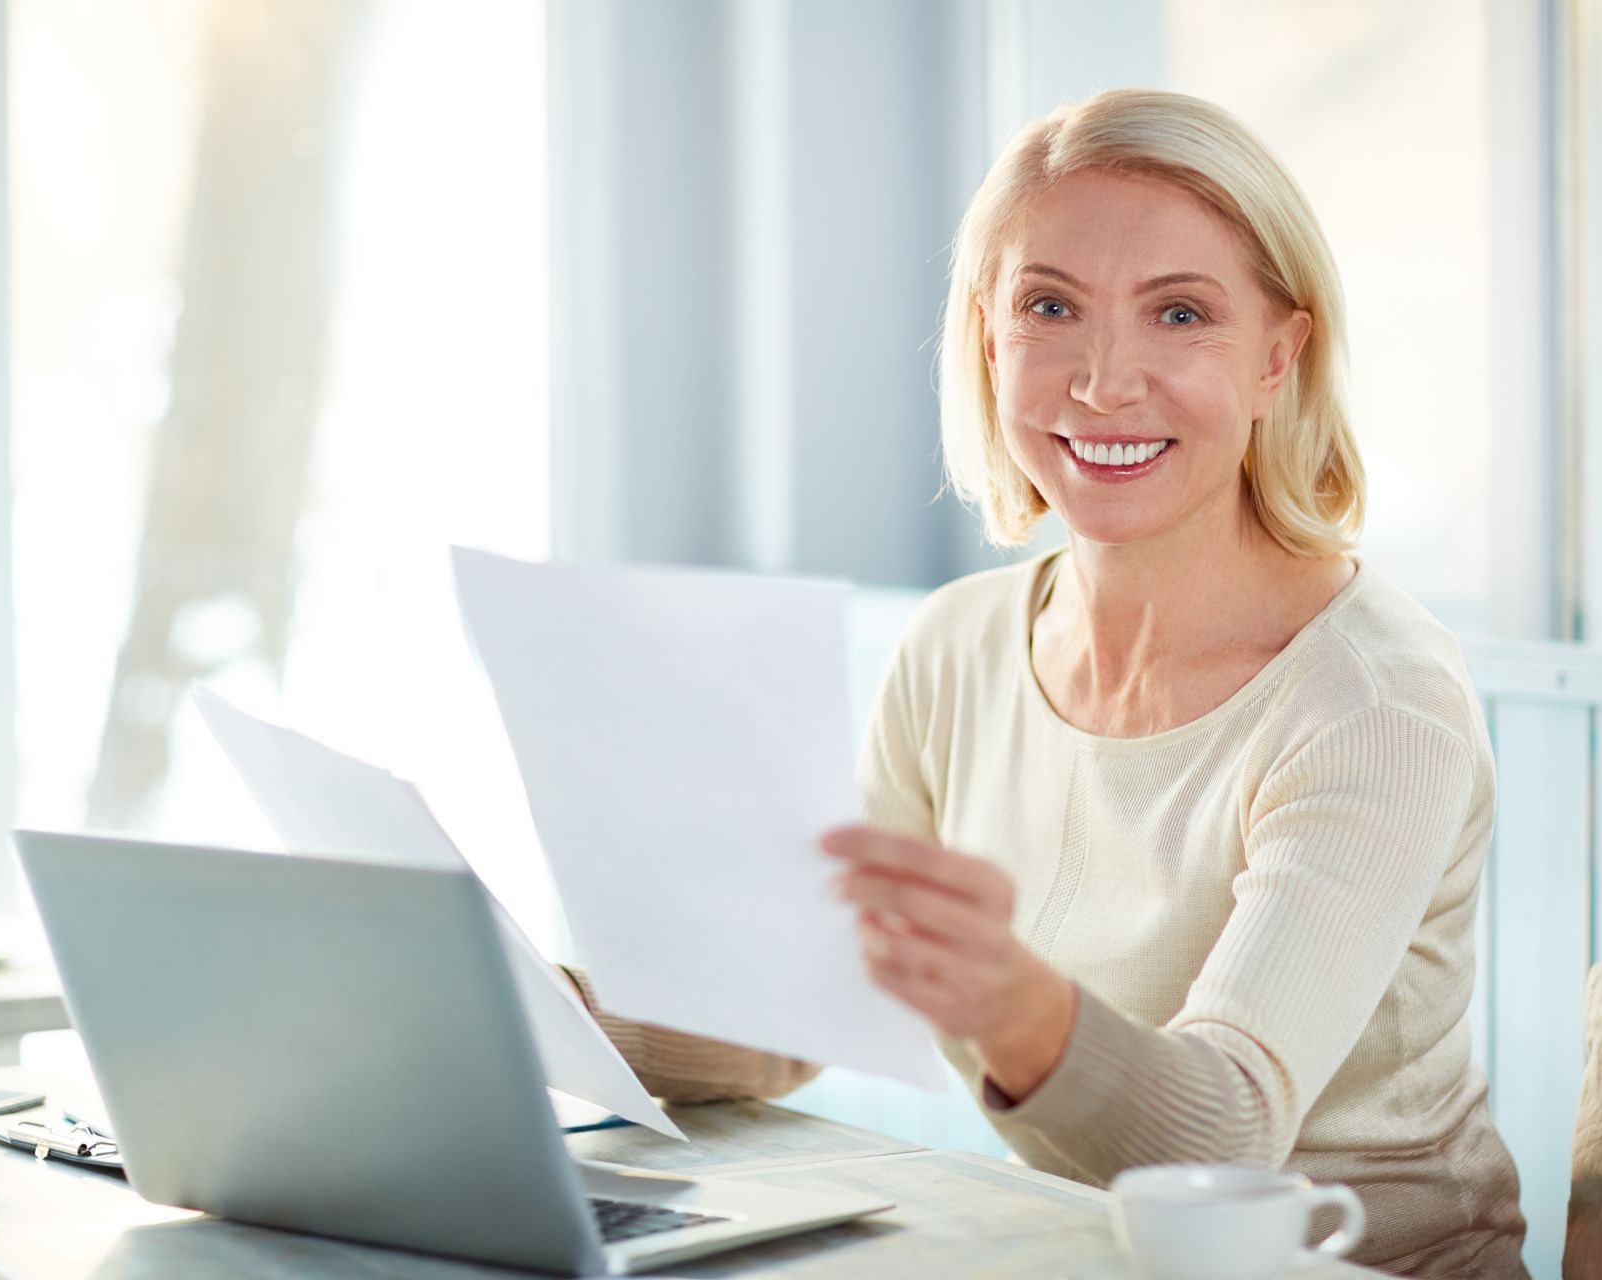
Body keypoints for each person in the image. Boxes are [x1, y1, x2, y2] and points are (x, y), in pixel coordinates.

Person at [562, 87, 1525, 1278]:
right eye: (1050, 307)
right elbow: (811, 1005)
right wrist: (519, 1004)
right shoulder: (956, 648)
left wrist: (1007, 999)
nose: (1103, 380)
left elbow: (1228, 1127)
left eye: (1179, 313)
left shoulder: (1371, 705)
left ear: (1280, 356)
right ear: (987, 339)